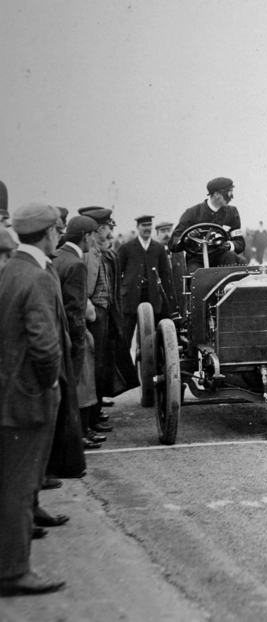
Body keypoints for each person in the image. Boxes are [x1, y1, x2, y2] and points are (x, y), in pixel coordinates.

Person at [0, 202, 68, 597]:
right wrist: (49, 386)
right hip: (29, 398)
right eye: (56, 230)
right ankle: (13, 571)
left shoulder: (10, 270)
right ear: (46, 234)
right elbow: (45, 347)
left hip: (9, 393)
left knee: (10, 482)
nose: (58, 235)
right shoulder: (39, 277)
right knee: (20, 487)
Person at [78, 208, 138, 437]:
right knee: (93, 368)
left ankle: (95, 414)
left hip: (106, 314)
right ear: (99, 230)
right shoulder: (89, 255)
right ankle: (91, 419)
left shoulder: (105, 254)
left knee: (102, 365)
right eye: (107, 229)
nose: (110, 234)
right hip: (95, 316)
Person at [48, 216, 98, 476]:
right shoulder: (77, 265)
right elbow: (76, 313)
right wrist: (78, 346)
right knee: (70, 399)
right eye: (93, 235)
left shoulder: (57, 258)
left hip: (53, 337)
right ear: (87, 236)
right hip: (70, 340)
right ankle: (66, 460)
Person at [117, 215, 176, 345]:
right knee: (125, 336)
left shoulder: (158, 248)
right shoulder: (127, 248)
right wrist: (122, 290)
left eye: (149, 225)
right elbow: (117, 272)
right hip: (131, 297)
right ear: (138, 227)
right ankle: (124, 364)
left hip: (152, 296)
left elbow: (165, 274)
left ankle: (150, 363)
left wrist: (167, 299)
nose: (147, 228)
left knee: (152, 336)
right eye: (144, 226)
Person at [170, 177, 247, 272]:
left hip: (222, 256)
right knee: (196, 274)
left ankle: (229, 286)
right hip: (198, 258)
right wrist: (187, 238)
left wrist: (229, 245)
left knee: (230, 256)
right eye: (229, 193)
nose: (232, 197)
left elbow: (240, 243)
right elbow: (173, 243)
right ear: (217, 194)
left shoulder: (232, 213)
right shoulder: (192, 213)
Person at [155, 220, 185, 314]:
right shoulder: (155, 253)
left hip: (181, 300)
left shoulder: (180, 252)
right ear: (157, 234)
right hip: (164, 302)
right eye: (163, 231)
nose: (166, 234)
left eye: (168, 231)